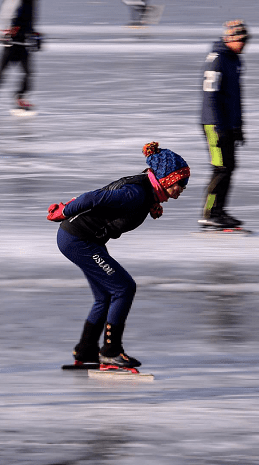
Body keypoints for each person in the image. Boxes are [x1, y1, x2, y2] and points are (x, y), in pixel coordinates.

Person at [48, 142, 189, 369]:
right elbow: (92, 198)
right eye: (181, 182)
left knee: (105, 295)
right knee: (124, 288)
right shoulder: (135, 194)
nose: (183, 188)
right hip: (77, 240)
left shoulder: (146, 191)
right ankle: (111, 352)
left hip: (84, 239)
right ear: (166, 179)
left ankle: (85, 350)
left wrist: (151, 203)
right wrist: (64, 210)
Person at [199, 20, 250, 229]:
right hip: (214, 125)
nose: (244, 44)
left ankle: (219, 211)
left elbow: (235, 98)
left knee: (229, 168)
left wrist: (238, 127)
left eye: (246, 40)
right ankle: (209, 213)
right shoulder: (218, 60)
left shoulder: (234, 60)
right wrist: (219, 127)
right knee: (220, 168)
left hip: (227, 124)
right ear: (230, 39)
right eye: (241, 40)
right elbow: (211, 97)